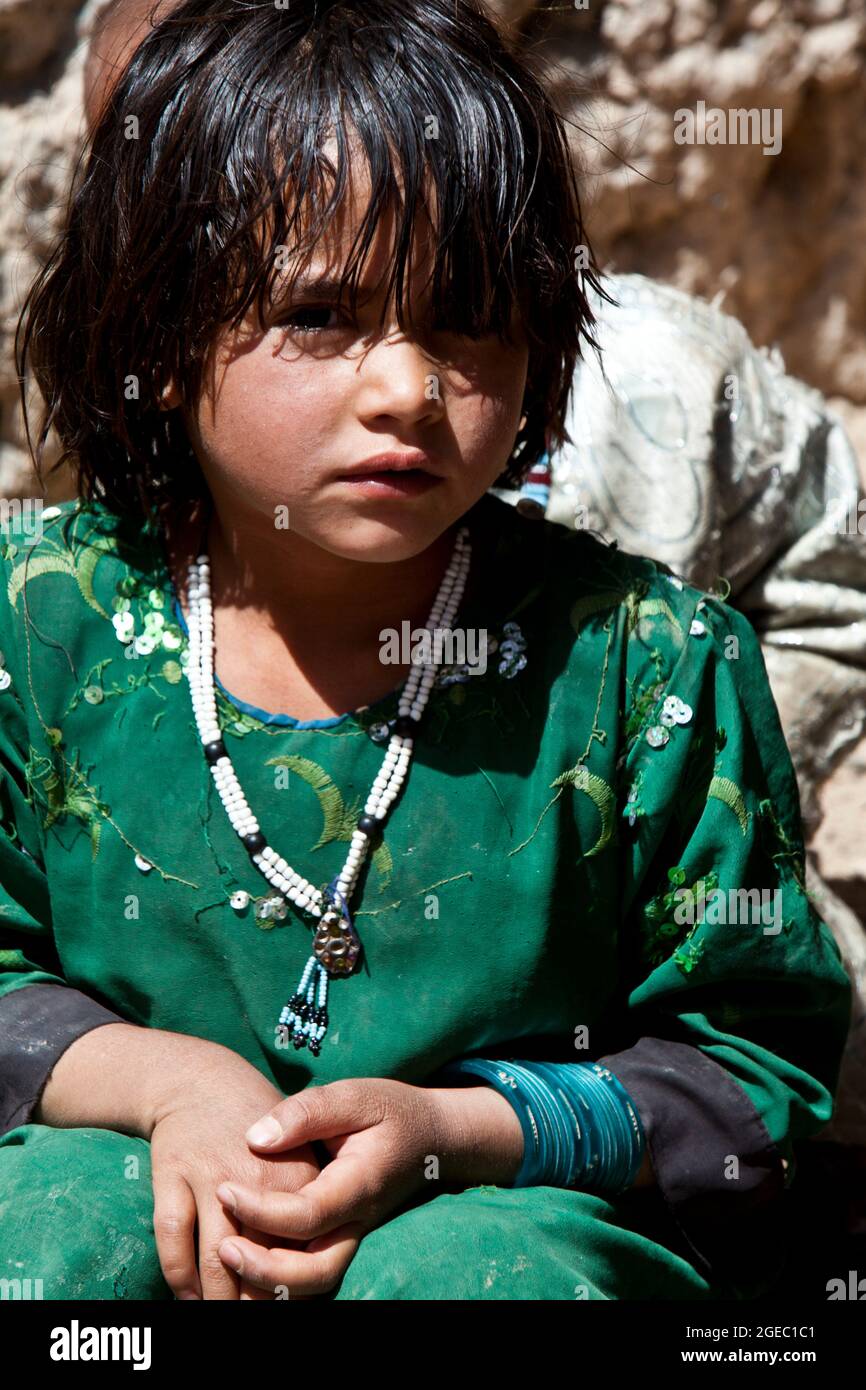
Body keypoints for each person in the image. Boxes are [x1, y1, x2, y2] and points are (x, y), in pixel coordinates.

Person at [0, 0, 851, 1301]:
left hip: (500, 1221)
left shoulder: (646, 669)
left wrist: (461, 1133)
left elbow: (749, 1066)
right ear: (158, 336)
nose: (405, 388)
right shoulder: (37, 623)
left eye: (463, 321)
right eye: (323, 317)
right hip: (106, 1170)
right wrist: (170, 1086)